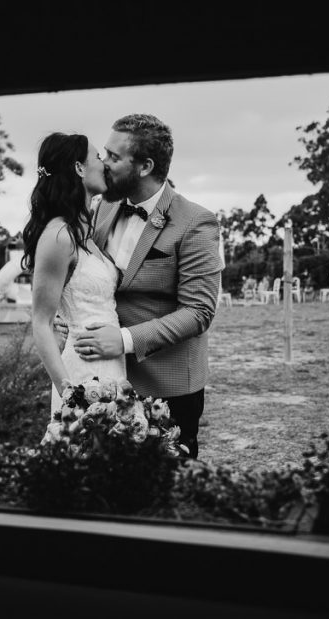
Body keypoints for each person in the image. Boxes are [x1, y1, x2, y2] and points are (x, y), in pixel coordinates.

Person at [65, 113, 223, 459]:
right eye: (103, 153)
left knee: (162, 484)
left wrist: (122, 341)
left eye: (114, 156)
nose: (103, 162)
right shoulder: (101, 207)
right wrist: (71, 314)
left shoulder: (196, 223)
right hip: (103, 378)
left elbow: (199, 312)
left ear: (145, 166)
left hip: (167, 385)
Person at [21, 133, 125, 420]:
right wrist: (70, 395)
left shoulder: (87, 232)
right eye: (97, 157)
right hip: (81, 374)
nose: (103, 164)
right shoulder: (59, 235)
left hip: (113, 369)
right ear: (79, 168)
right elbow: (41, 322)